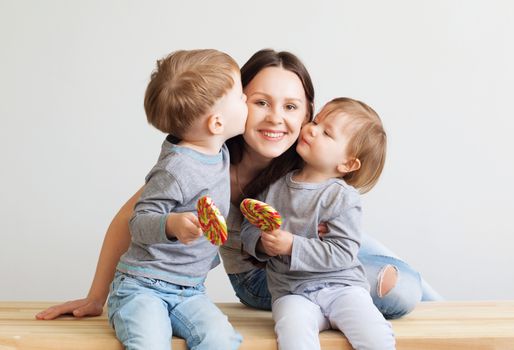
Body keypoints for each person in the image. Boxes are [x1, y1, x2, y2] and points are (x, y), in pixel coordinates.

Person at [36, 49, 440, 323]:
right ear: (234, 104)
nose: (275, 118)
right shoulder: (206, 158)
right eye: (260, 102)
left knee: (407, 282)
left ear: (308, 114)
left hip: (317, 252)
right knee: (396, 291)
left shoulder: (308, 155)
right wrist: (96, 296)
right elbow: (131, 219)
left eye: (292, 107)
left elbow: (351, 220)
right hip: (265, 272)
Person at [105, 49, 247, 349]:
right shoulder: (176, 168)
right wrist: (171, 224)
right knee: (150, 342)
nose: (246, 99)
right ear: (217, 123)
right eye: (240, 96)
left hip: (190, 291)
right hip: (142, 286)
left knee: (222, 339)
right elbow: (138, 221)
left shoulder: (217, 150)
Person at [241, 97, 395, 349]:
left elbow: (343, 253)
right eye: (315, 121)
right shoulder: (274, 186)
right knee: (293, 335)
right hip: (292, 291)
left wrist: (292, 245)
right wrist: (260, 243)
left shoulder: (342, 197)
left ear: (347, 163)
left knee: (375, 336)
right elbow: (249, 228)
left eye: (326, 133)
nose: (311, 129)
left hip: (342, 288)